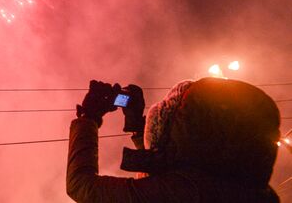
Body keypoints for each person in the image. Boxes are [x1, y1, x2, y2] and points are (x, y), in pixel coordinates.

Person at [66, 77, 281, 202]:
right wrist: (136, 128)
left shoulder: (187, 190)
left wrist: (88, 118)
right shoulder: (256, 191)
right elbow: (169, 172)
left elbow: (80, 186)